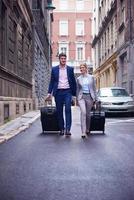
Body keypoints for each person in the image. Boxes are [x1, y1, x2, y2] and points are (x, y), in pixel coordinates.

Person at [46, 53, 76, 136]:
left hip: (67, 92)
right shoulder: (54, 69)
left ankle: (68, 129)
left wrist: (74, 94)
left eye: (65, 59)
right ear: (59, 59)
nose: (63, 60)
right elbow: (52, 82)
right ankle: (61, 129)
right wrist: (49, 93)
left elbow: (73, 82)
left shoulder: (70, 69)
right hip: (58, 92)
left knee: (67, 109)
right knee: (59, 111)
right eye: (62, 58)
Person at [76, 63, 97, 138]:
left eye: (82, 67)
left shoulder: (91, 77)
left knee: (88, 114)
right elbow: (78, 90)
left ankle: (87, 129)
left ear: (86, 68)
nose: (81, 69)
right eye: (80, 68)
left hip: (89, 97)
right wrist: (77, 100)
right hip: (81, 97)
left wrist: (95, 99)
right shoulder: (78, 79)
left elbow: (94, 88)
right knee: (83, 112)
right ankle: (83, 132)